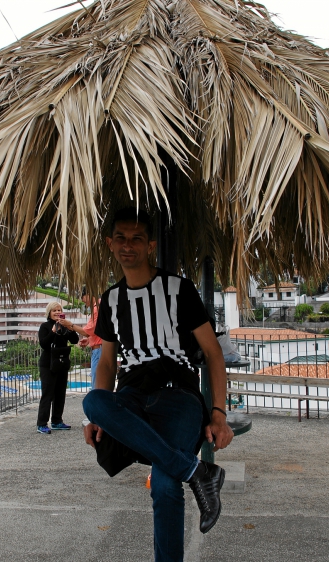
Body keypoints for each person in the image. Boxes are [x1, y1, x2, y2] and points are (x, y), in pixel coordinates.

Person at [82, 207, 233, 562]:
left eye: (136, 239)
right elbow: (106, 361)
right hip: (133, 392)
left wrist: (219, 413)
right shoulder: (112, 300)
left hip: (177, 392)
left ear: (150, 245)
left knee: (165, 486)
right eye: (120, 238)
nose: (127, 246)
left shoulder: (179, 290)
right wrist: (98, 420)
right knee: (93, 403)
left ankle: (191, 475)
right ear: (110, 243)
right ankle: (198, 472)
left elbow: (213, 353)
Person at [37, 301, 79, 434]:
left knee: (60, 393)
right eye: (54, 310)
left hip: (61, 363)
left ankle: (56, 421)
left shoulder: (64, 326)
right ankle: (42, 423)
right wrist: (53, 332)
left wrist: (70, 327)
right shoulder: (45, 326)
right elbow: (44, 344)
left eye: (59, 310)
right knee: (48, 393)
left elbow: (75, 340)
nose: (57, 313)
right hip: (47, 364)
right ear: (49, 312)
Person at [78, 288, 102, 389]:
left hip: (99, 349)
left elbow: (87, 331)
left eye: (83, 298)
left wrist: (69, 325)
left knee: (96, 385)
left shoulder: (97, 308)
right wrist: (89, 340)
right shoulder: (102, 305)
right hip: (101, 347)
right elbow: (100, 329)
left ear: (88, 294)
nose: (83, 301)